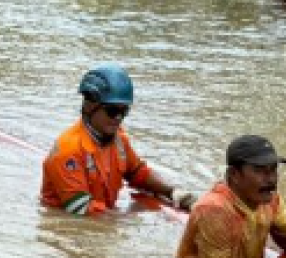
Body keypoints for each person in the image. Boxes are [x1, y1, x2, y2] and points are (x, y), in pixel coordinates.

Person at [41, 64, 196, 215]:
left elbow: (138, 173)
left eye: (124, 111)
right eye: (112, 111)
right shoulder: (68, 151)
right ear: (89, 106)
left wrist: (173, 192)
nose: (118, 118)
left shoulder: (118, 139)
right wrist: (132, 218)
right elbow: (82, 213)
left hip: (101, 213)